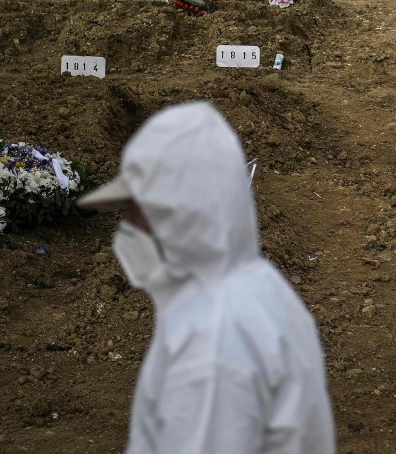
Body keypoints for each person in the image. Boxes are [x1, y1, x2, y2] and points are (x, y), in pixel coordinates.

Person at [78, 101, 335, 454]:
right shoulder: (258, 287)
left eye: (137, 209)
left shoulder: (210, 343)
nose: (126, 226)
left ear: (184, 210)